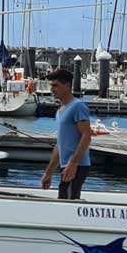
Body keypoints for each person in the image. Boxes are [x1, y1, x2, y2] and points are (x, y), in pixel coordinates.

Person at [41, 67, 93, 199]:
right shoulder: (60, 111)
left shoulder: (78, 106)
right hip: (66, 165)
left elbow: (86, 136)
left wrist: (73, 163)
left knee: (68, 201)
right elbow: (60, 145)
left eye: (55, 86)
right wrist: (49, 172)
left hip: (77, 165)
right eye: (51, 86)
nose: (52, 89)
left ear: (67, 86)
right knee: (63, 198)